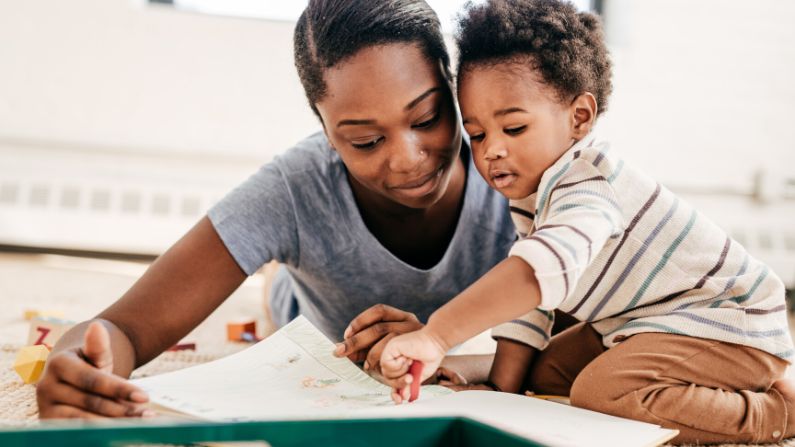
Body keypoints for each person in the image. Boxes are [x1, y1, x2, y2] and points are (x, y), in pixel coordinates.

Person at [35, 0, 516, 419]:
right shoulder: (294, 189)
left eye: (427, 117)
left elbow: (579, 347)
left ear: (452, 84)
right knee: (281, 302)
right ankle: (275, 279)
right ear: (326, 133)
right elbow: (123, 327)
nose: (408, 157)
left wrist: (436, 349)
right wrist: (76, 365)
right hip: (304, 312)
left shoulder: (518, 171)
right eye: (365, 141)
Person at [379, 0, 795, 444]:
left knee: (602, 392)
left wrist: (439, 334)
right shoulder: (535, 194)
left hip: (723, 321)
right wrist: (501, 389)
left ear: (579, 117)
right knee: (545, 370)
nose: (490, 150)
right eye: (477, 135)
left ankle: (776, 411)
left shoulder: (589, 183)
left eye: (514, 129)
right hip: (644, 325)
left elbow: (541, 270)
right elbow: (531, 307)